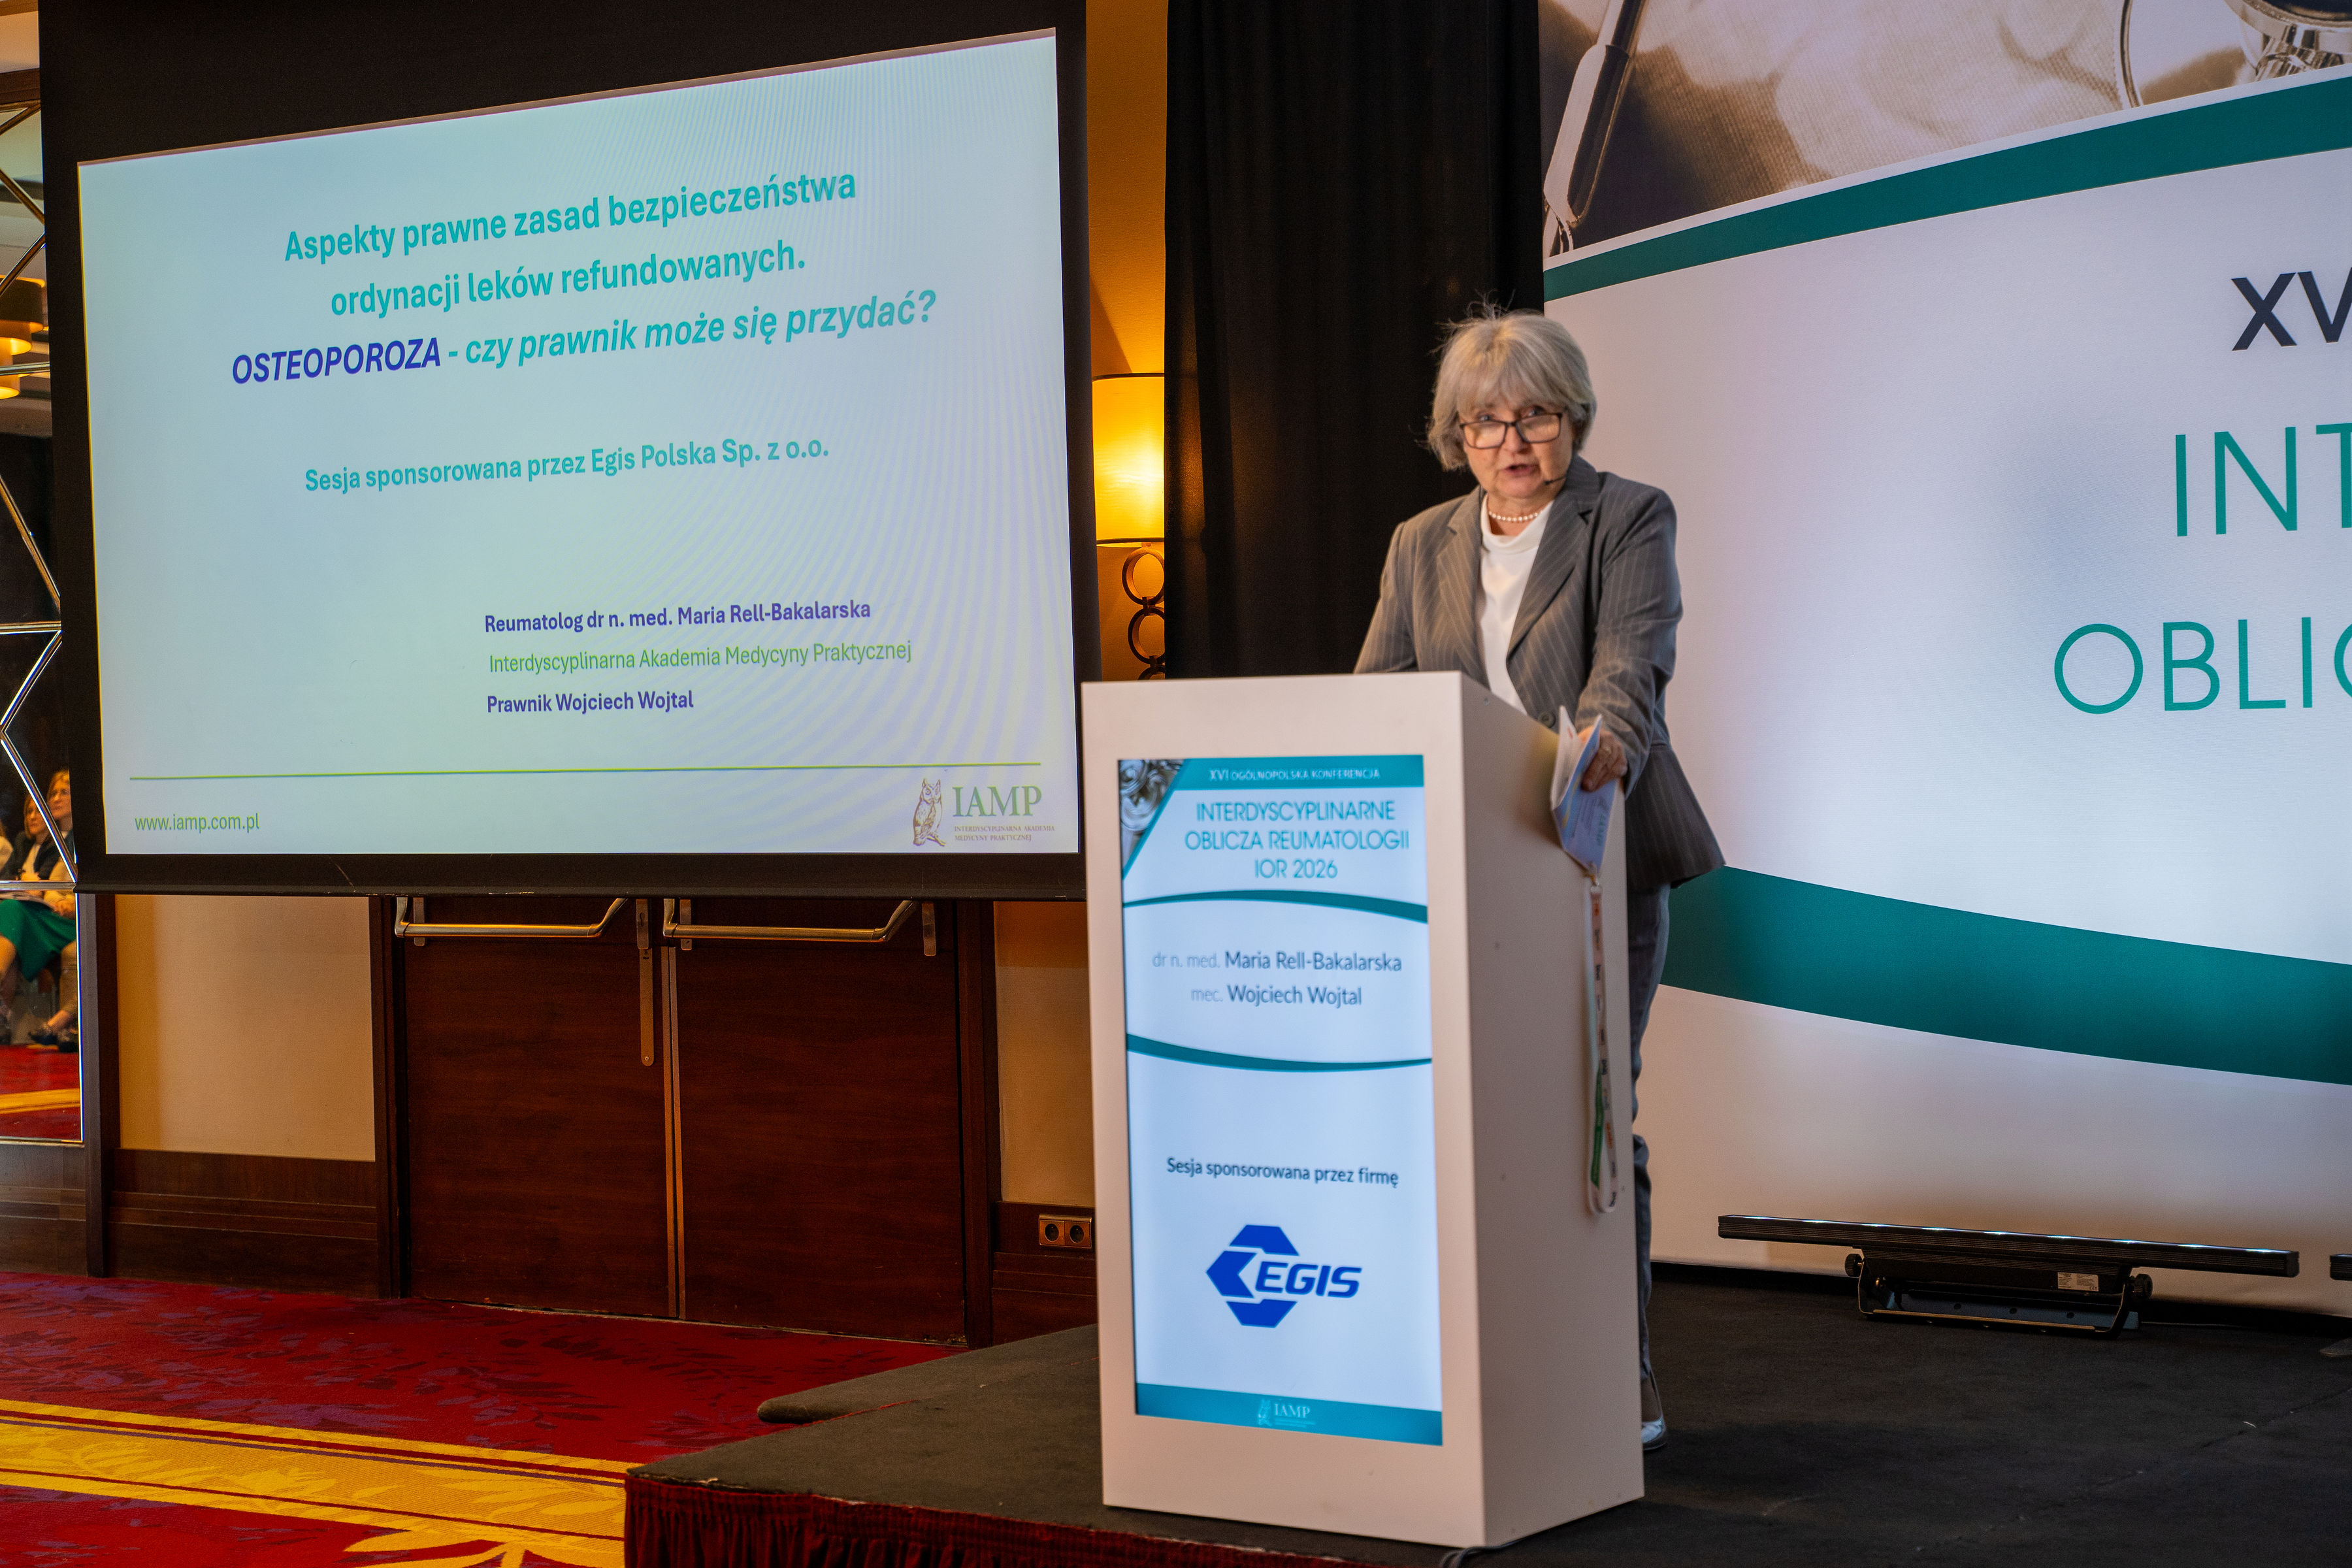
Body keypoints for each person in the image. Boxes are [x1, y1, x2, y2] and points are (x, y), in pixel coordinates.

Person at [1356, 308, 1721, 1452]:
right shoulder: (1420, 542)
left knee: (1592, 1118)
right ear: (1455, 434)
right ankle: (1483, 1370)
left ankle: (1618, 1375)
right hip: (1458, 865)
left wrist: (1602, 745)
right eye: (1485, 422)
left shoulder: (1628, 517)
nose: (1511, 443)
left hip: (1594, 851)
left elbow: (1630, 669)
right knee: (1466, 1121)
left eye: (1536, 417)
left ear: (1576, 418)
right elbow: (1380, 692)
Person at [0, 769, 76, 1051]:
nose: (55, 798)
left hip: (70, 918)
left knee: (12, 911)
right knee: (10, 914)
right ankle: (3, 1021)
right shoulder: (57, 838)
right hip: (50, 914)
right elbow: (45, 886)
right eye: (53, 793)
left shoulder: (80, 839)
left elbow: (50, 886)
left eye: (63, 792)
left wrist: (64, 900)